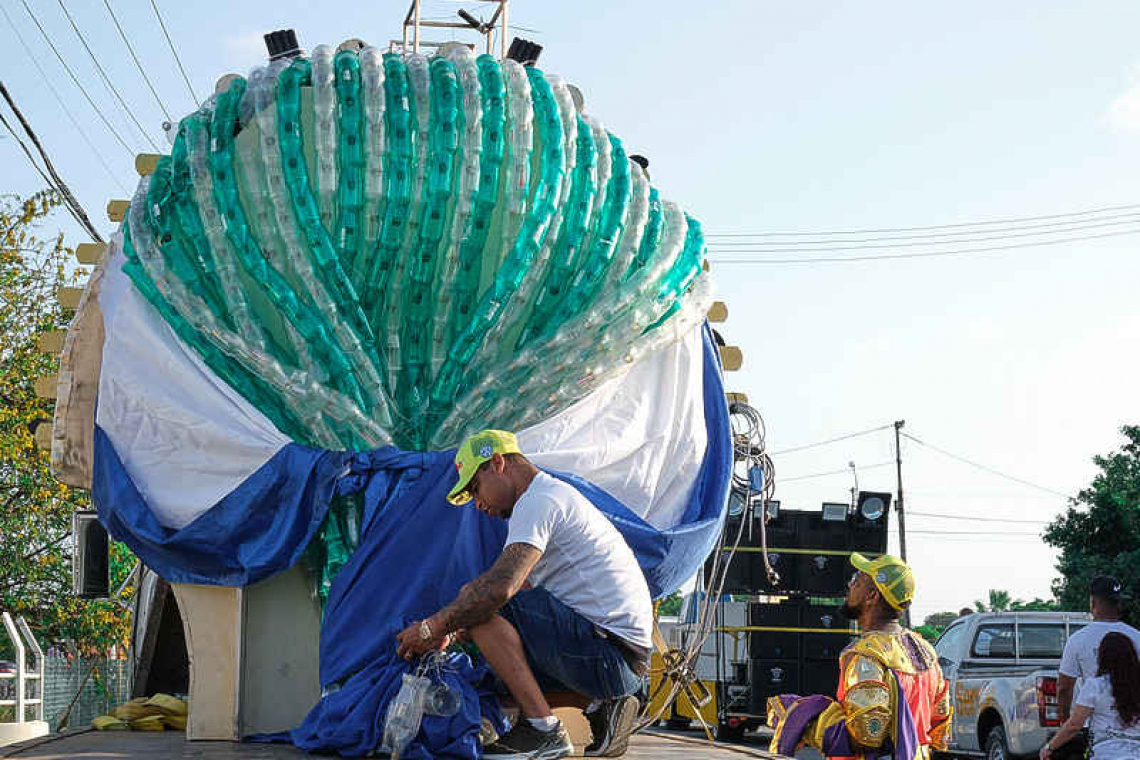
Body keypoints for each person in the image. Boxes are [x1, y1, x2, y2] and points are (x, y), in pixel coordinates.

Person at [395, 430, 653, 760]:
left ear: (497, 463)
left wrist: (430, 629)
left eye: (475, 489)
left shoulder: (539, 500)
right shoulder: (548, 498)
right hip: (619, 657)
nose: (478, 504)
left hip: (610, 654)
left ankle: (544, 731)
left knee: (478, 601)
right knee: (499, 678)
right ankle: (600, 704)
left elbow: (498, 591)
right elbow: (527, 593)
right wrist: (454, 633)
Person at [767, 554, 952, 760]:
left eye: (857, 580)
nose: (850, 584)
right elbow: (940, 728)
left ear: (872, 596)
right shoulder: (926, 652)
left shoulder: (868, 655)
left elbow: (867, 733)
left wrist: (804, 719)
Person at [1041, 632, 1140, 759]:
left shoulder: (1095, 686)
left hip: (1106, 752)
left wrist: (1049, 747)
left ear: (1102, 657)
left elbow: (1074, 725)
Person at [1057, 577, 1140, 725]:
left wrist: (1064, 722)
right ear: (1119, 603)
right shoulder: (1136, 636)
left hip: (1094, 726)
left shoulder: (1078, 639)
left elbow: (1064, 687)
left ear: (1093, 603)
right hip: (1133, 725)